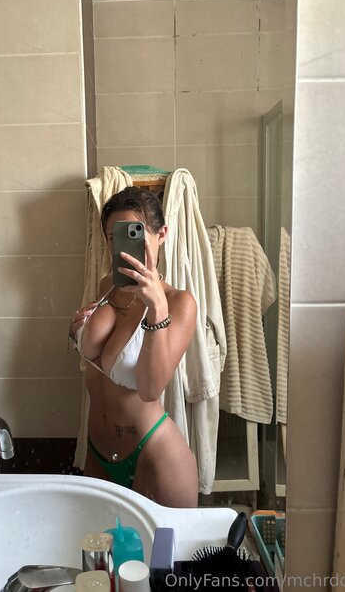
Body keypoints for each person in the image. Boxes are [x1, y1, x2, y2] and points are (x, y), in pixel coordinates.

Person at [69, 187, 198, 507]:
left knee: (158, 543)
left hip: (153, 455)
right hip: (97, 450)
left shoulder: (179, 303)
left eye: (133, 234)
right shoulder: (107, 286)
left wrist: (156, 308)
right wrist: (76, 331)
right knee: (96, 539)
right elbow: (97, 356)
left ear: (161, 234)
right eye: (114, 237)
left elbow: (151, 389)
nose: (122, 247)